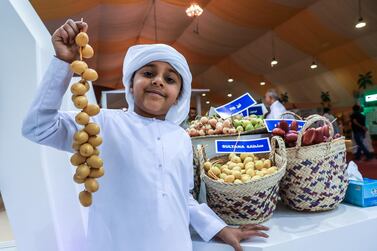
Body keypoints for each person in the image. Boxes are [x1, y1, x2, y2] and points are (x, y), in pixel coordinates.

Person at [21, 19, 268, 251]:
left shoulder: (180, 137)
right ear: (130, 84)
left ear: (179, 97)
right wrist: (63, 62)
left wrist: (220, 229)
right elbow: (38, 127)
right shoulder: (102, 123)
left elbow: (181, 196)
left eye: (170, 79)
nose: (158, 81)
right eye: (149, 73)